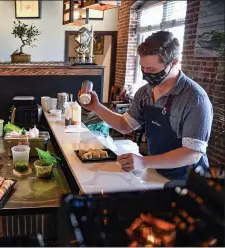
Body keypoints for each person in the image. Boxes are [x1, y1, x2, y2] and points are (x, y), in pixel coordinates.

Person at [81, 31, 213, 180]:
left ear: (174, 63)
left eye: (152, 70)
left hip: (189, 179)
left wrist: (143, 161)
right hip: (157, 170)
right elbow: (125, 125)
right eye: (142, 68)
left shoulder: (194, 99)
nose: (146, 74)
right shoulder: (145, 93)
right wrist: (97, 107)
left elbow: (192, 153)